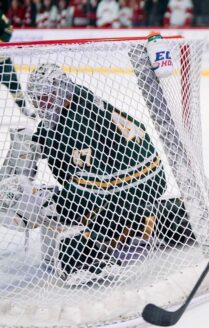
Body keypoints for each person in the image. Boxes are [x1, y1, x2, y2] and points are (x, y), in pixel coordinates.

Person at [0, 64, 195, 286]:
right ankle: (168, 215)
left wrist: (55, 205)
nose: (42, 105)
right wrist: (30, 146)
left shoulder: (79, 121)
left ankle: (156, 222)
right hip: (129, 174)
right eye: (37, 100)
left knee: (81, 230)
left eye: (46, 98)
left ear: (61, 89)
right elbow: (54, 139)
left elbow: (93, 188)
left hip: (137, 181)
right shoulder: (69, 102)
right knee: (78, 208)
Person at [0, 14, 35, 119]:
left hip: (2, 59)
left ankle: (23, 107)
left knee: (14, 86)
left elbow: (9, 28)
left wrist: (1, 42)